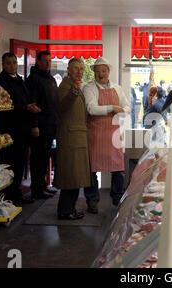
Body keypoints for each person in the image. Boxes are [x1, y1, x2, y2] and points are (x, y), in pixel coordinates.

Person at [0, 52, 40, 205]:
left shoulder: (19, 79)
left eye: (14, 63)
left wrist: (32, 117)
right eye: (9, 63)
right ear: (3, 64)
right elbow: (3, 106)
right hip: (8, 129)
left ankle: (17, 193)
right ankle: (6, 195)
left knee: (20, 163)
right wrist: (25, 107)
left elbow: (27, 99)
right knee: (8, 163)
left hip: (23, 128)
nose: (12, 66)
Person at [83, 57, 130, 213]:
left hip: (114, 133)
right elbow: (91, 108)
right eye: (98, 71)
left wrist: (124, 110)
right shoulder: (89, 88)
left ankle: (117, 197)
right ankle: (92, 200)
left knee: (118, 168)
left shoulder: (117, 87)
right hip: (95, 133)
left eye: (103, 71)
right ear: (94, 73)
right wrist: (113, 108)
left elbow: (127, 105)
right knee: (92, 169)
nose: (101, 74)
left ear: (108, 72)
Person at [54, 58, 93, 220]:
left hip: (77, 137)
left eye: (82, 69)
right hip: (70, 139)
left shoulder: (74, 86)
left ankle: (70, 208)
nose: (80, 72)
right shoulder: (66, 86)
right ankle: (65, 211)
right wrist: (74, 92)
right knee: (71, 177)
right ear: (69, 70)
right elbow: (63, 106)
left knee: (76, 178)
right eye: (76, 68)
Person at [26, 51, 58, 199]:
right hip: (40, 125)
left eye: (49, 61)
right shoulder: (34, 79)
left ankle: (43, 185)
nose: (47, 63)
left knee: (45, 158)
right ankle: (36, 189)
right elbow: (32, 104)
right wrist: (34, 125)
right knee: (37, 159)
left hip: (50, 124)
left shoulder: (50, 78)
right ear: (37, 62)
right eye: (45, 61)